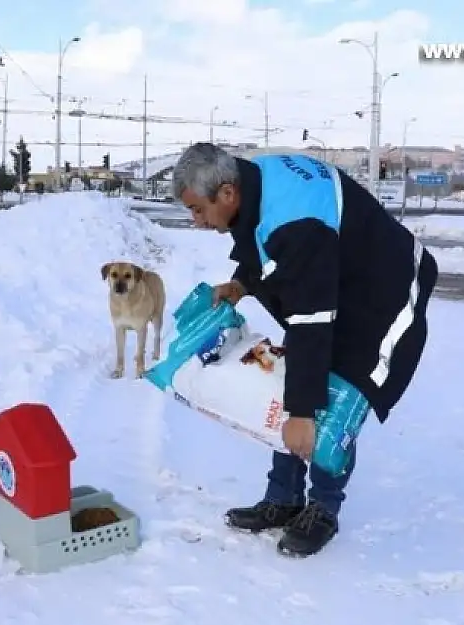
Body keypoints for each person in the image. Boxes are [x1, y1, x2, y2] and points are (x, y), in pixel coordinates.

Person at [171, 142, 439, 558]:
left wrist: (301, 414)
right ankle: (284, 498)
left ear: (226, 193)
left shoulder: (297, 224)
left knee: (335, 399)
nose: (196, 221)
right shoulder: (249, 180)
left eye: (197, 210)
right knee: (295, 379)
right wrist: (242, 283)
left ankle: (323, 509)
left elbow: (311, 320)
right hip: (337, 276)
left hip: (384, 296)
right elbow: (261, 241)